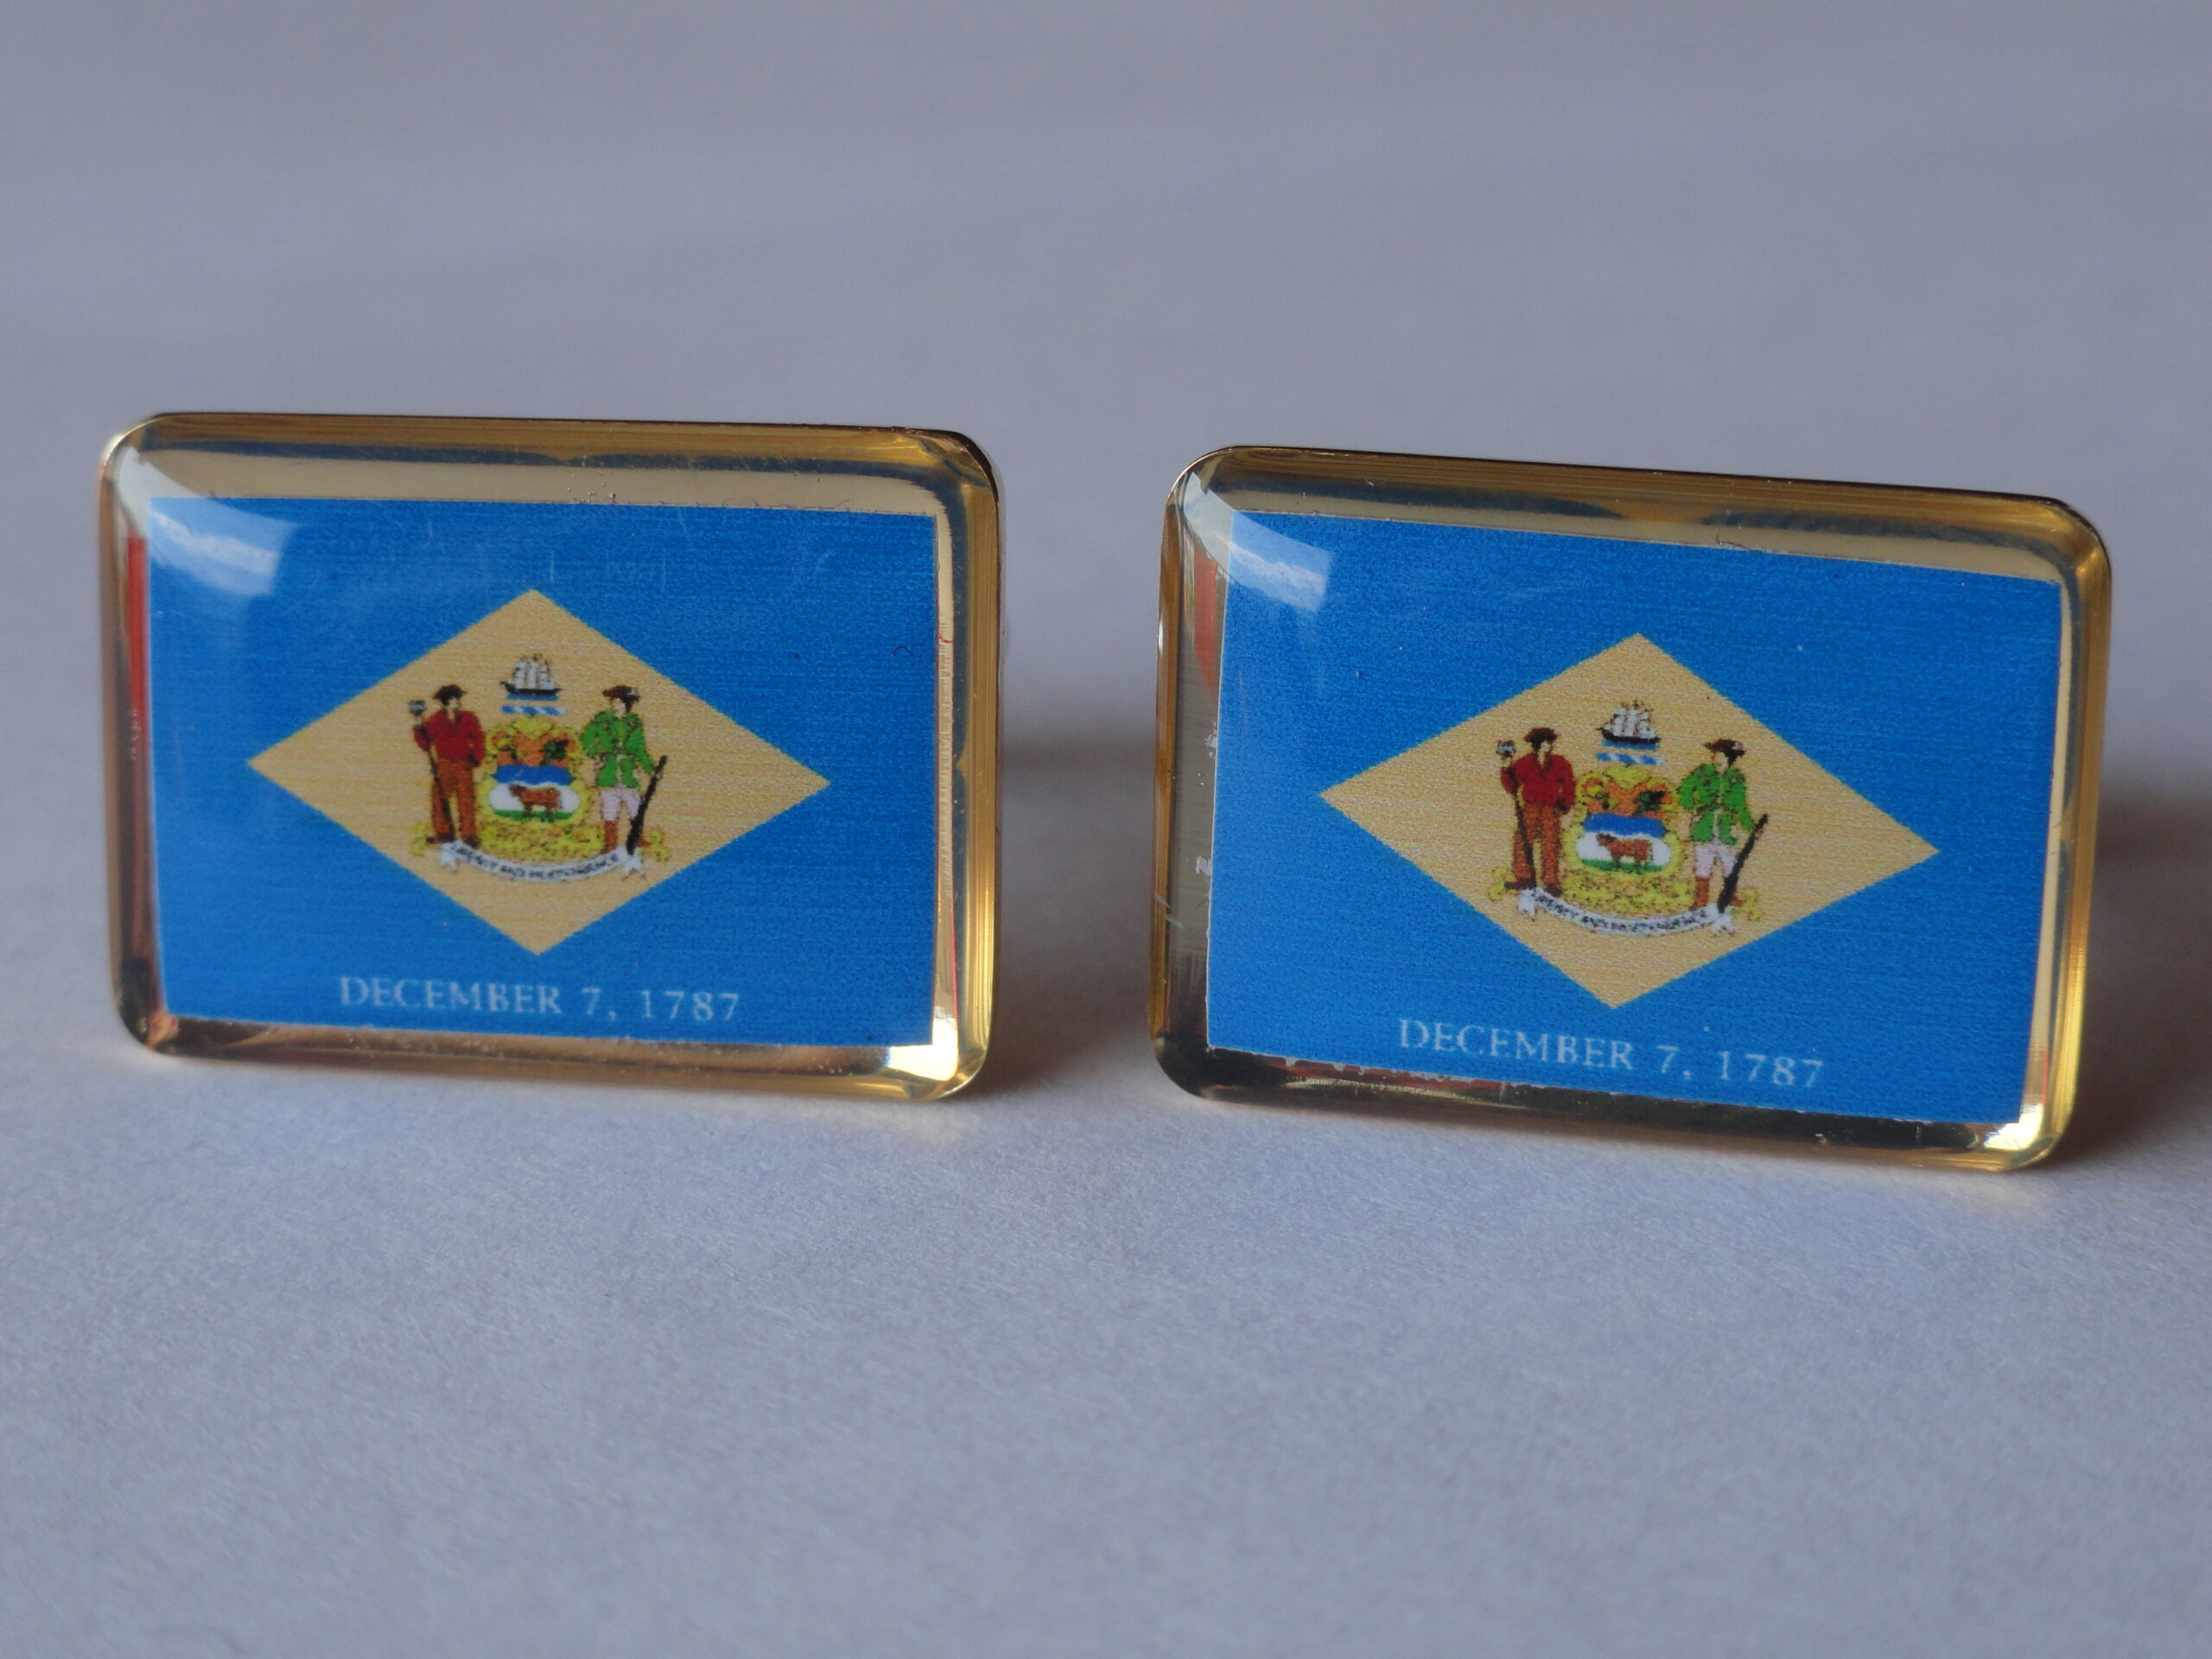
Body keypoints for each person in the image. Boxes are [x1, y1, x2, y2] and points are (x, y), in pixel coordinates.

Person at [1681, 737, 1757, 912]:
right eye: (1715, 753)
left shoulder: (1737, 778)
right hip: (1704, 825)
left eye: (1720, 754)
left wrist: (1751, 827)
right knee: (1703, 864)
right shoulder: (1702, 772)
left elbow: (1741, 806)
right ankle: (1700, 900)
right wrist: (1692, 808)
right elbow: (1684, 789)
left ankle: (1730, 897)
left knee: (1729, 864)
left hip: (1726, 827)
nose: (1716, 757)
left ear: (1730, 757)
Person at [1499, 726, 1575, 896]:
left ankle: (1551, 881)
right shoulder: (1526, 762)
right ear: (1538, 744)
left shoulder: (1560, 762)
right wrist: (1506, 768)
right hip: (1531, 807)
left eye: (1550, 742)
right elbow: (1513, 785)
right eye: (1546, 742)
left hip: (1551, 807)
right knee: (1523, 841)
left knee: (1551, 843)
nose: (1550, 745)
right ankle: (1524, 877)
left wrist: (1565, 804)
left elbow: (1569, 784)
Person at [581, 683, 654, 853]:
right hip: (608, 768)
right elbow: (586, 737)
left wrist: (650, 769)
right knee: (609, 807)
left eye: (619, 702)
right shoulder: (602, 719)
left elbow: (640, 749)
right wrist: (595, 754)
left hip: (628, 770)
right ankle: (610, 844)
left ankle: (638, 839)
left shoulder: (634, 723)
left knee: (634, 806)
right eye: (613, 702)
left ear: (627, 704)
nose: (615, 705)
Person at [411, 683, 485, 848]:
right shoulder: (436, 719)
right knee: (439, 799)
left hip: (464, 763)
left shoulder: (469, 717)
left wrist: (476, 758)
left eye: (457, 699)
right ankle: (443, 834)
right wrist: (418, 724)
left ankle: (469, 836)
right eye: (454, 699)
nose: (457, 702)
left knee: (466, 799)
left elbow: (479, 738)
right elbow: (425, 742)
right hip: (444, 764)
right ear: (446, 702)